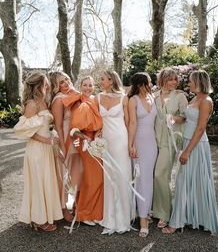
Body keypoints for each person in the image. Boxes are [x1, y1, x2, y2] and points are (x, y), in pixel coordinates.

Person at [162, 70, 218, 235]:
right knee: (186, 181)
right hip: (188, 141)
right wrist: (173, 119)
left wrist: (187, 151)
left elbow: (201, 128)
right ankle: (188, 217)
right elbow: (188, 119)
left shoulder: (206, 101)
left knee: (190, 181)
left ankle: (177, 222)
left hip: (196, 145)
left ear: (199, 82)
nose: (188, 83)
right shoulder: (195, 98)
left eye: (190, 81)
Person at [14, 72, 63, 231]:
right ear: (38, 85)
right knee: (37, 183)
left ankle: (45, 215)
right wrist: (47, 140)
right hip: (36, 150)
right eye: (46, 84)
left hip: (47, 149)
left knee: (46, 182)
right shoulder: (32, 104)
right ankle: (38, 220)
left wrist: (52, 138)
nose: (48, 86)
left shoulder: (44, 100)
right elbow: (26, 131)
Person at [62, 76, 103, 225]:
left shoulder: (94, 100)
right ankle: (84, 214)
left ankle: (91, 211)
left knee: (92, 177)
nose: (88, 87)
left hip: (94, 140)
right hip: (82, 140)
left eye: (90, 85)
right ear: (80, 86)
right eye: (85, 85)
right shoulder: (78, 101)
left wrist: (98, 134)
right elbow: (74, 128)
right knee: (94, 177)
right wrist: (86, 138)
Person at [96, 70, 133, 234]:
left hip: (120, 139)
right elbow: (97, 119)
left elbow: (128, 122)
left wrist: (131, 144)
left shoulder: (124, 98)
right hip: (106, 141)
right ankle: (110, 215)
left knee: (121, 174)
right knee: (108, 175)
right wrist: (98, 131)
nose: (100, 81)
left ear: (111, 80)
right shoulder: (97, 97)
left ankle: (124, 216)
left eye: (103, 79)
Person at [153, 68, 188, 229]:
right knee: (153, 175)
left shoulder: (180, 96)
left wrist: (173, 119)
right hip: (153, 139)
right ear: (162, 80)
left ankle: (164, 214)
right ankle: (155, 208)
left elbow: (186, 117)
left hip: (171, 140)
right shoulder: (153, 96)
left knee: (161, 174)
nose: (174, 82)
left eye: (175, 79)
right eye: (170, 79)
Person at [49, 71, 82, 222]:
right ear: (55, 86)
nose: (66, 84)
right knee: (66, 175)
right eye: (61, 82)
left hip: (75, 140)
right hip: (64, 141)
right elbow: (59, 126)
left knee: (77, 173)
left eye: (67, 80)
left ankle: (76, 204)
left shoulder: (70, 96)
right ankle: (64, 209)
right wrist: (63, 147)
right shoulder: (58, 100)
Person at [128, 72, 158, 238]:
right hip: (138, 143)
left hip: (152, 144)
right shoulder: (133, 100)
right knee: (139, 179)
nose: (152, 84)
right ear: (140, 85)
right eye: (149, 82)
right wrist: (131, 144)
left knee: (148, 179)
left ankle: (146, 212)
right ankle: (142, 219)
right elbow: (132, 123)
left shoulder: (153, 98)